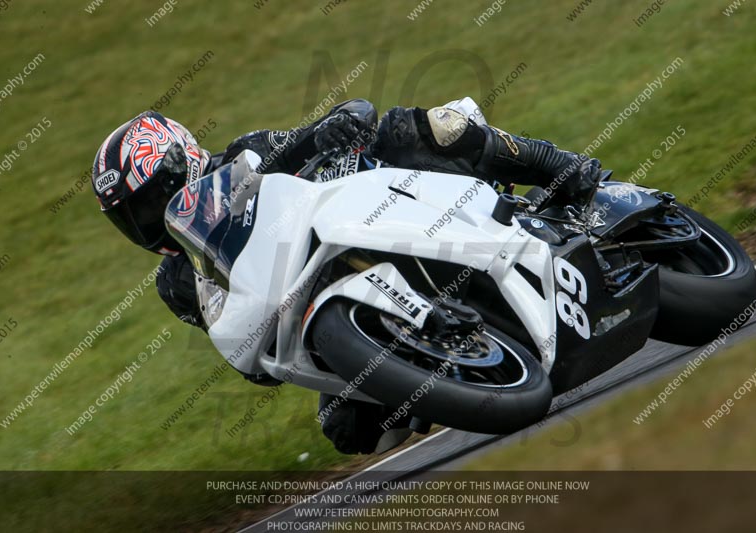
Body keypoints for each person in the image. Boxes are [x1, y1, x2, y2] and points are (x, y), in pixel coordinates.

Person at [90, 98, 601, 454]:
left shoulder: (245, 156)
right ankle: (432, 363)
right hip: (319, 299)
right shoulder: (177, 280)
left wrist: (335, 127)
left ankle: (568, 173)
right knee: (349, 431)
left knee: (426, 126)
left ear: (185, 161)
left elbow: (333, 123)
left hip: (391, 207)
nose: (148, 219)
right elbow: (251, 361)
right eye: (132, 214)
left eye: (155, 197)